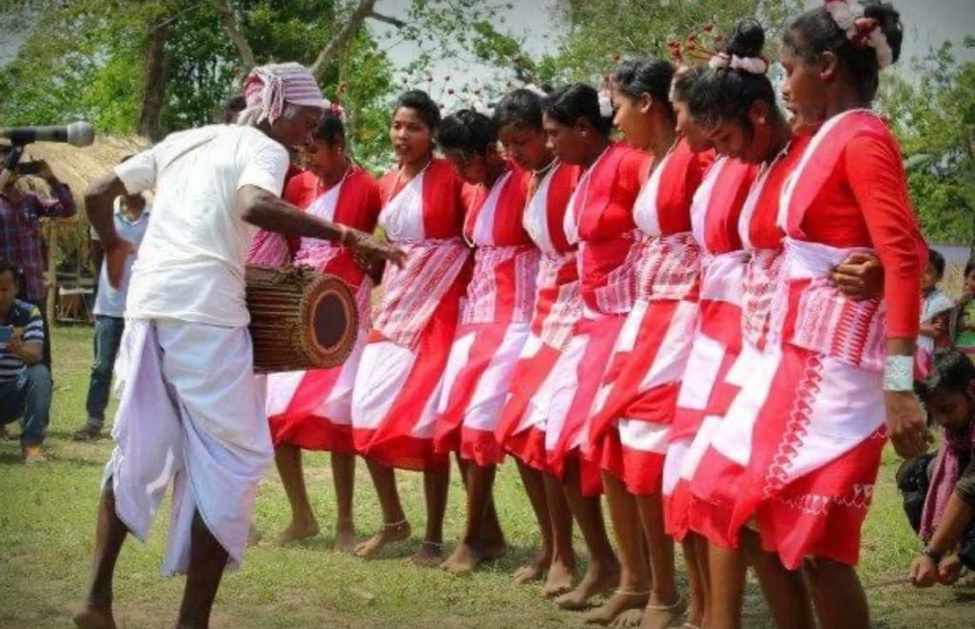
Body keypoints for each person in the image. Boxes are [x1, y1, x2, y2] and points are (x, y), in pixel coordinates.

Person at [71, 62, 401, 629]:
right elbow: (252, 205)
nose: (309, 136)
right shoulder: (264, 149)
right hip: (207, 313)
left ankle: (95, 600)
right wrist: (346, 234)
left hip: (148, 307)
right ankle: (191, 622)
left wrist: (115, 246)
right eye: (307, 120)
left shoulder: (185, 139)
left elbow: (98, 191)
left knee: (139, 446)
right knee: (232, 463)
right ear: (278, 110)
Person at [702, 3, 927, 628]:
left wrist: (899, 388)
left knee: (821, 548)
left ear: (826, 66)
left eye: (789, 69)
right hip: (795, 360)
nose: (783, 85)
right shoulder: (820, 141)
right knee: (752, 513)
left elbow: (904, 259)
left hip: (842, 379)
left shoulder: (863, 139)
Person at [582, 58, 714, 629]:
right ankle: (647, 583)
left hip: (683, 318)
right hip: (647, 312)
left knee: (657, 451)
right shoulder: (654, 160)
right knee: (614, 439)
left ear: (645, 103)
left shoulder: (695, 159)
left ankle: (686, 597)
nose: (614, 120)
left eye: (616, 107)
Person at [493, 88, 619, 600]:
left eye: (524, 140)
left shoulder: (573, 172)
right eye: (507, 145)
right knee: (517, 429)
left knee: (549, 433)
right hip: (545, 313)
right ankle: (553, 545)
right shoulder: (535, 176)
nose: (515, 153)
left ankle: (584, 556)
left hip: (578, 311)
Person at [350, 90, 470, 567]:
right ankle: (393, 520)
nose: (402, 135)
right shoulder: (386, 182)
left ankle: (435, 537)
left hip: (441, 305)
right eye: (398, 125)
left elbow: (473, 237)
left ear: (433, 133)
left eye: (414, 127)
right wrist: (371, 257)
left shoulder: (452, 176)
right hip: (396, 305)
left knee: (427, 419)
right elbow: (384, 245)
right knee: (364, 407)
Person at [543, 83, 649, 614]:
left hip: (627, 323)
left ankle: (641, 578)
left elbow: (660, 232)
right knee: (558, 442)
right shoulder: (580, 173)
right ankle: (606, 563)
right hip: (587, 323)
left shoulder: (630, 163)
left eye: (554, 133)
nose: (549, 143)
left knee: (619, 449)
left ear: (584, 129)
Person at [660, 65, 759, 629]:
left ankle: (722, 617)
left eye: (682, 113)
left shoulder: (751, 167)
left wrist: (899, 383)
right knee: (688, 468)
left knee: (718, 477)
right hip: (712, 328)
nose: (679, 126)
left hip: (746, 334)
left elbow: (898, 256)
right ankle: (704, 610)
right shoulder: (721, 164)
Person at [262, 106, 383, 550]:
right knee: (273, 411)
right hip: (301, 308)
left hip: (346, 310)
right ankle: (302, 515)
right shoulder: (296, 187)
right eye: (303, 151)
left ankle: (346, 522)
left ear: (339, 146)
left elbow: (382, 248)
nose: (307, 159)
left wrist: (372, 266)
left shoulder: (368, 188)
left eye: (315, 150)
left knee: (338, 416)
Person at [433, 109, 536, 573]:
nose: (458, 172)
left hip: (516, 316)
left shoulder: (525, 181)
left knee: (480, 423)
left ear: (489, 151)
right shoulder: (475, 189)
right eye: (452, 162)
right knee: (456, 421)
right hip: (477, 314)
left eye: (464, 162)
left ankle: (471, 539)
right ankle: (488, 531)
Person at [73, 179, 151, 441]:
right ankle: (93, 421)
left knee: (141, 369)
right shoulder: (105, 214)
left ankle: (134, 421)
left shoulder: (155, 216)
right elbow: (97, 255)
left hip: (143, 306)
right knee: (101, 367)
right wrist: (105, 287)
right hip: (110, 304)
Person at [0, 153, 76, 368]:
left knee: (38, 351)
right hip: (3, 291)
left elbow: (68, 209)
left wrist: (51, 179)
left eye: (9, 163)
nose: (8, 168)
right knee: (6, 350)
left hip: (32, 290)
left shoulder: (31, 201)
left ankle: (40, 386)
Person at [908, 349, 975, 587]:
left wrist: (932, 554)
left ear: (972, 390)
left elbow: (970, 486)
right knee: (917, 473)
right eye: (933, 412)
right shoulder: (958, 433)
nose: (942, 421)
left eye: (947, 409)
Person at [0, 257, 52, 464]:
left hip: (11, 395)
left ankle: (32, 445)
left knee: (40, 374)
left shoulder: (29, 313)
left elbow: (36, 354)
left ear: (16, 287)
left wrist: (19, 349)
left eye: (4, 289)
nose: (0, 295)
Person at [917, 247, 954, 377]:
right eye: (919, 268)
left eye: (929, 271)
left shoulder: (941, 301)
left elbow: (936, 332)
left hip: (924, 351)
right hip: (904, 346)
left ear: (939, 276)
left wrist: (908, 327)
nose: (922, 274)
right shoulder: (907, 295)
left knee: (920, 380)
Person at [954, 259, 975, 356]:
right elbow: (949, 325)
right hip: (960, 351)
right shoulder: (957, 302)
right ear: (966, 277)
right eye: (974, 278)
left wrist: (969, 325)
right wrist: (960, 303)